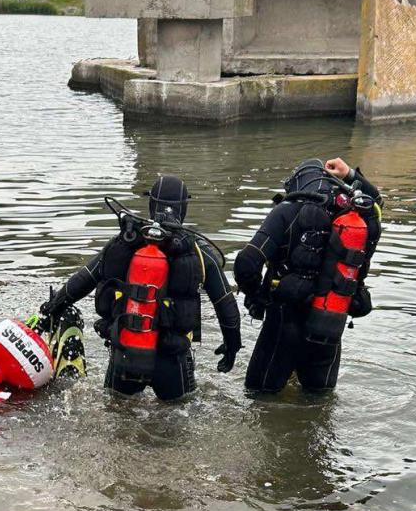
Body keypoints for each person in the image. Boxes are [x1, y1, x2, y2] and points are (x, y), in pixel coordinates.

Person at [38, 175, 242, 401]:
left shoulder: (126, 242)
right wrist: (232, 346)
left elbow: (83, 280)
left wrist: (51, 309)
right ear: (184, 208)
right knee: (178, 421)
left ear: (151, 204)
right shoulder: (198, 253)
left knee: (117, 414)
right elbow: (226, 305)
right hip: (172, 360)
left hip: (126, 354)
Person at [233, 157, 382, 396]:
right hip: (329, 324)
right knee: (318, 405)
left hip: (284, 323)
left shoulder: (286, 211)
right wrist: (351, 175)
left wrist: (259, 298)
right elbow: (376, 202)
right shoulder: (355, 216)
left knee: (260, 399)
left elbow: (246, 264)